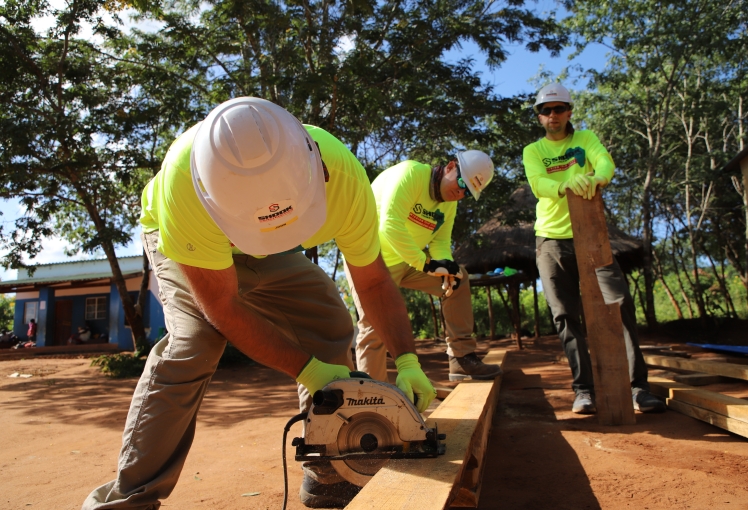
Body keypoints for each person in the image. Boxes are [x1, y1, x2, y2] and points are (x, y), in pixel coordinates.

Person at [82, 97, 436, 510]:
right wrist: (308, 370)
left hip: (263, 243)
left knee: (329, 323)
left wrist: (408, 359)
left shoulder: (343, 175)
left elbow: (374, 281)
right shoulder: (184, 183)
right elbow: (224, 307)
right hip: (188, 240)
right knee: (194, 344)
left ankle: (328, 468)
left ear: (316, 169)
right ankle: (128, 499)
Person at [522, 83, 665, 415]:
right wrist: (563, 185)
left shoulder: (585, 139)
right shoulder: (534, 150)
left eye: (559, 108)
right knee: (565, 314)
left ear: (569, 111)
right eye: (546, 111)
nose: (553, 115)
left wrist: (598, 178)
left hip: (592, 236)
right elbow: (537, 183)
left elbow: (605, 163)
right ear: (539, 117)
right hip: (551, 241)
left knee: (619, 304)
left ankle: (638, 388)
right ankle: (584, 390)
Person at [346, 151, 502, 382]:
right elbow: (390, 226)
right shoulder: (410, 174)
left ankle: (461, 359)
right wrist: (426, 264)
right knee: (375, 326)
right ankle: (372, 396)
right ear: (450, 166)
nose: (460, 193)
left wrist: (447, 268)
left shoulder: (449, 203)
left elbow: (440, 242)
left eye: (467, 192)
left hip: (407, 261)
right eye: (461, 183)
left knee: (459, 278)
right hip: (367, 259)